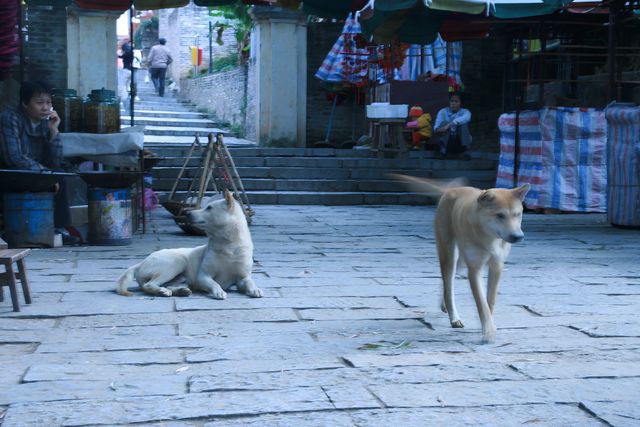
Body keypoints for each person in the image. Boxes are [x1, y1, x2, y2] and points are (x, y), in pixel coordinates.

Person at [0, 80, 80, 245]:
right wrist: (45, 174)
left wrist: (53, 131)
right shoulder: (10, 118)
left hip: (34, 173)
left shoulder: (46, 122)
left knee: (60, 175)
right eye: (39, 103)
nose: (45, 108)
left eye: (48, 103)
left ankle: (59, 228)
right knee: (53, 176)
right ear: (25, 103)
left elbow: (56, 160)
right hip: (11, 173)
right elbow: (13, 157)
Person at [433, 91, 472, 160]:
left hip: (459, 143)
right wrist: (442, 129)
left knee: (463, 125)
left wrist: (450, 124)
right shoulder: (442, 112)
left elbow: (467, 118)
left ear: (460, 103)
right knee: (444, 123)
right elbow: (436, 128)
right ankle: (442, 152)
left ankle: (466, 152)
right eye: (452, 101)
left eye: (456, 101)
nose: (453, 103)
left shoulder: (465, 112)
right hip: (446, 142)